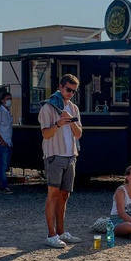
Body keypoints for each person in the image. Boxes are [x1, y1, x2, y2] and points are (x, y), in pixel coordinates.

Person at [39, 74, 83, 249]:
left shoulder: (74, 108)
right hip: (54, 155)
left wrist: (70, 121)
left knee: (64, 195)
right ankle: (51, 234)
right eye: (68, 89)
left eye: (74, 91)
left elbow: (79, 134)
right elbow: (45, 134)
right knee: (53, 195)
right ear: (60, 87)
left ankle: (61, 232)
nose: (70, 93)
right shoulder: (48, 107)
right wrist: (58, 123)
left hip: (70, 155)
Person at [0, 91, 14, 194]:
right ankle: (4, 186)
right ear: (2, 100)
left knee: (4, 165)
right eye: (7, 99)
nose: (9, 101)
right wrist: (1, 141)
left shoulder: (8, 112)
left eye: (10, 99)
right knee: (3, 165)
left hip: (8, 142)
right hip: (2, 143)